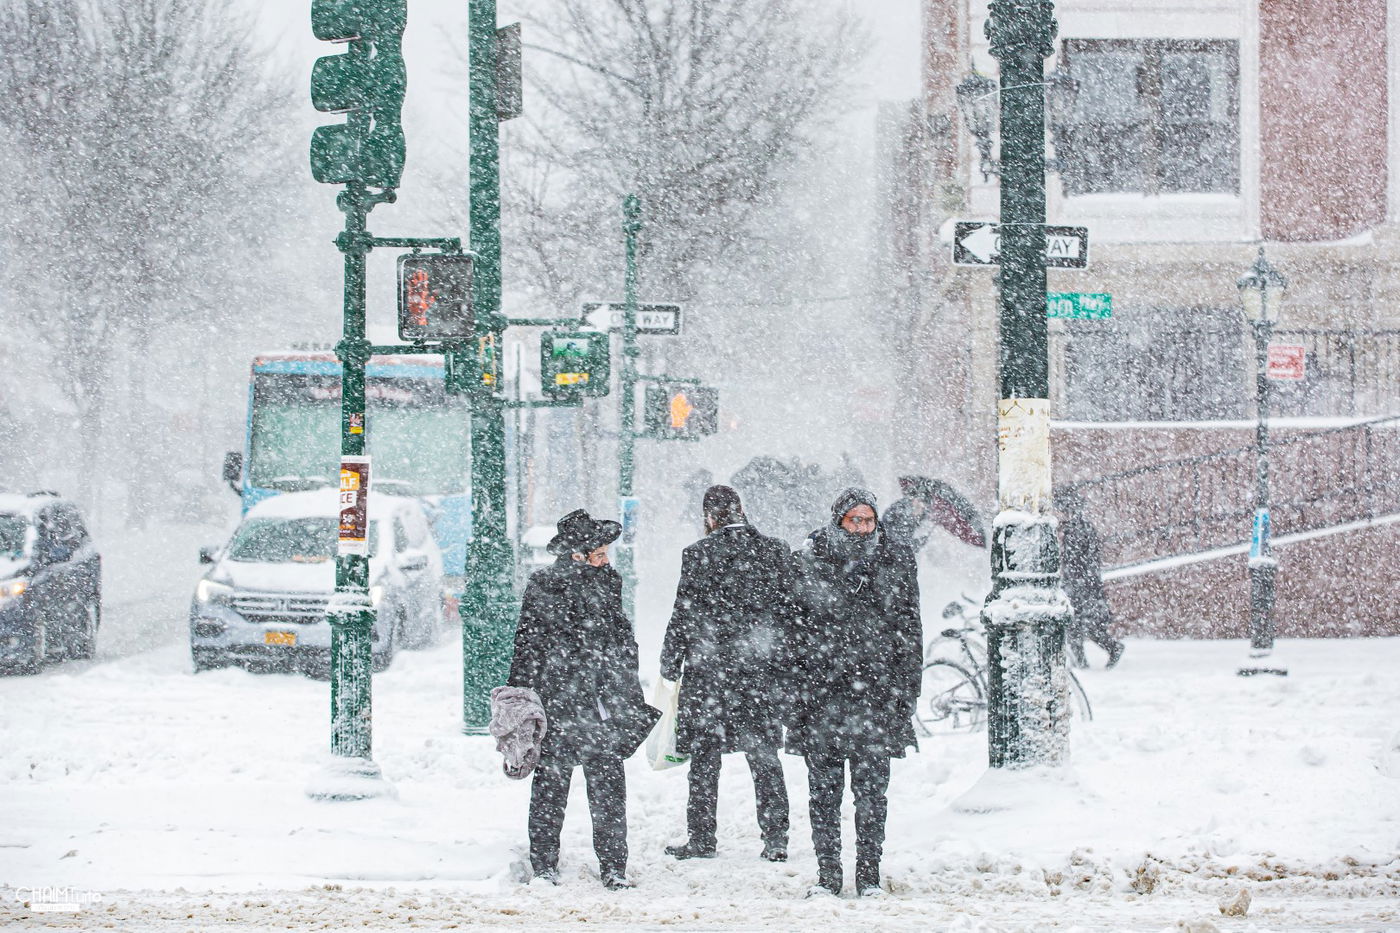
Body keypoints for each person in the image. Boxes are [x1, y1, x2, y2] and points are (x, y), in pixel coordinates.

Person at [507, 509, 660, 890]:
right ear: (577, 555)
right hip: (564, 701)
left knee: (600, 787)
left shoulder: (605, 582)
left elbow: (621, 639)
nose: (606, 560)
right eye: (599, 554)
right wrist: (519, 698)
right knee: (556, 786)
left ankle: (609, 866)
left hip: (596, 702)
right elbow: (528, 644)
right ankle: (549, 866)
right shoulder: (547, 585)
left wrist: (627, 688)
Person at [785, 488, 922, 898]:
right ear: (838, 519)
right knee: (823, 793)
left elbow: (909, 626)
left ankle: (869, 875)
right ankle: (828, 874)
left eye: (868, 520)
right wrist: (795, 687)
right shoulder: (811, 557)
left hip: (877, 694)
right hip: (823, 694)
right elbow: (793, 628)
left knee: (872, 793)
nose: (862, 528)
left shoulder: (895, 557)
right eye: (854, 520)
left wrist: (908, 687)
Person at [659, 485, 792, 863]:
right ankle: (776, 838)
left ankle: (702, 838)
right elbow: (789, 613)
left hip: (710, 672)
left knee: (705, 759)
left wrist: (670, 662)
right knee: (764, 757)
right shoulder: (774, 550)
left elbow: (683, 613)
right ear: (741, 510)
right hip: (759, 672)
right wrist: (787, 664)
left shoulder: (698, 554)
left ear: (709, 517)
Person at [1055, 486, 1126, 669]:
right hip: (1084, 584)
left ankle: (1086, 662)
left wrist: (1076, 581)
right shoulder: (1080, 528)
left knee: (1078, 624)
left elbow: (1077, 561)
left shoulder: (1076, 530)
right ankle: (1101, 653)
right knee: (1085, 624)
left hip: (1081, 585)